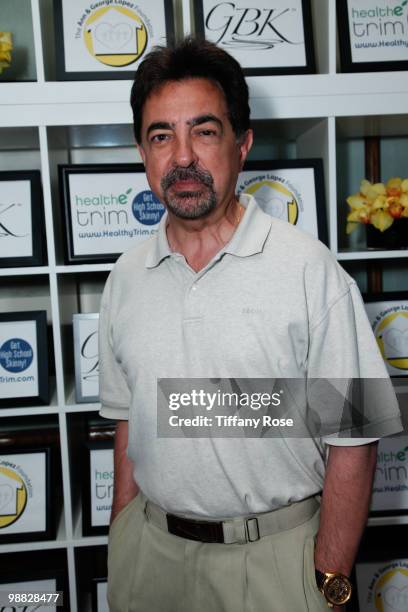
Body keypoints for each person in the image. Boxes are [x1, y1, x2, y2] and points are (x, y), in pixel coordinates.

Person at [98, 37, 402, 612]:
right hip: (152, 559)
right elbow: (127, 426)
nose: (182, 155)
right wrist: (123, 540)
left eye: (205, 131)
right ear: (143, 153)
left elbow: (354, 439)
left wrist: (331, 583)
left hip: (274, 563)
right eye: (161, 135)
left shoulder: (310, 272)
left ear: (243, 145)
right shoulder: (126, 278)